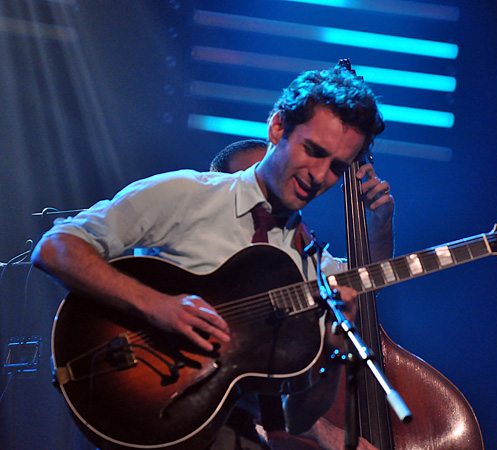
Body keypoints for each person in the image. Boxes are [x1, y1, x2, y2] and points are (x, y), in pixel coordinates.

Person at [32, 65, 394, 449]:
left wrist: (337, 347)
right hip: (137, 405)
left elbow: (298, 419)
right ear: (277, 128)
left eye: (336, 167)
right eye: (313, 151)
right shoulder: (188, 195)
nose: (319, 175)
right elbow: (56, 247)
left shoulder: (310, 265)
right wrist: (156, 305)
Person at [209, 139, 388, 450]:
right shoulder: (205, 248)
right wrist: (323, 431)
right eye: (251, 183)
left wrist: (379, 221)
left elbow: (365, 276)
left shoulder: (302, 253)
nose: (265, 197)